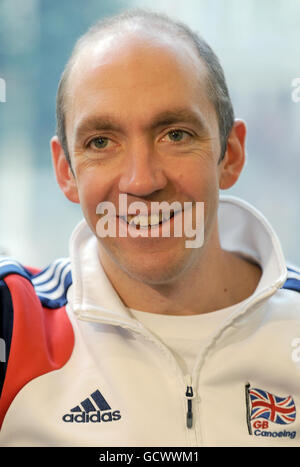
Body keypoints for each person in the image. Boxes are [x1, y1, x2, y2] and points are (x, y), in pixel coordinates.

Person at [0, 9, 300, 447]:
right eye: (101, 142)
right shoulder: (15, 325)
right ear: (65, 172)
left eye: (175, 134)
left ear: (231, 154)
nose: (142, 181)